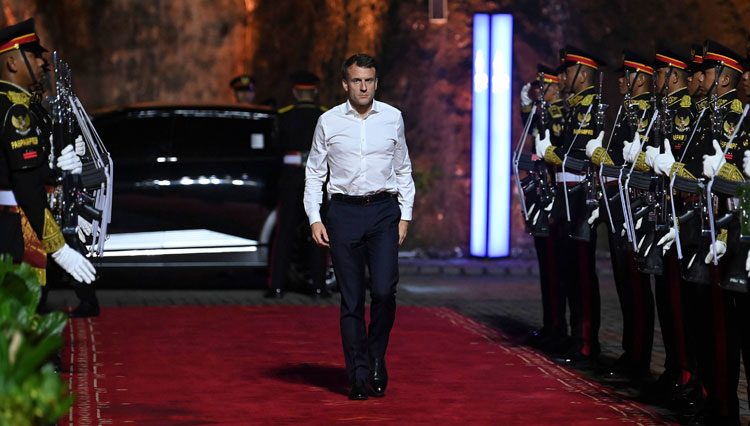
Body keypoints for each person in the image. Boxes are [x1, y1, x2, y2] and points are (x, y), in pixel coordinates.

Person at [304, 53, 415, 400]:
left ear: (376, 82)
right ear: (345, 84)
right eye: (356, 80)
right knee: (351, 299)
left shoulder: (393, 118)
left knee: (383, 290)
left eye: (369, 80)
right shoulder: (328, 121)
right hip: (344, 213)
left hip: (383, 211)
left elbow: (403, 168)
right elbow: (314, 173)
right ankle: (358, 374)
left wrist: (405, 215)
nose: (363, 86)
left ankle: (376, 356)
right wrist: (315, 217)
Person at [0, 19, 95, 292]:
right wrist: (59, 248)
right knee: (21, 314)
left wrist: (55, 166)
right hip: (15, 226)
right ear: (12, 63)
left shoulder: (20, 105)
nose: (42, 63)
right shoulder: (14, 112)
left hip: (19, 220)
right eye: (33, 55)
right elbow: (26, 186)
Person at [587, 49, 655, 381]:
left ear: (641, 78)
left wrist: (604, 157)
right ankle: (632, 351)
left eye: (627, 76)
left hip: (636, 208)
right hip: (620, 206)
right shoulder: (628, 110)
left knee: (636, 286)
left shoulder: (643, 112)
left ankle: (639, 355)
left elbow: (634, 161)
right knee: (624, 283)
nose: (622, 81)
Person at [535, 46, 604, 366]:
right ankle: (575, 337)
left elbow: (590, 158)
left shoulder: (594, 107)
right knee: (568, 271)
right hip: (564, 195)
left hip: (581, 195)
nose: (562, 77)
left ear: (584, 74)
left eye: (568, 71)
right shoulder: (573, 107)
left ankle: (587, 341)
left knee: (582, 274)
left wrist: (555, 155)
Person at [267, 71, 329, 298]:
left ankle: (277, 286)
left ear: (295, 92)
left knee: (284, 233)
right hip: (317, 179)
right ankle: (319, 286)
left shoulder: (283, 116)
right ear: (315, 92)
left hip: (291, 179)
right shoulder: (325, 117)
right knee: (319, 234)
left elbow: (276, 153)